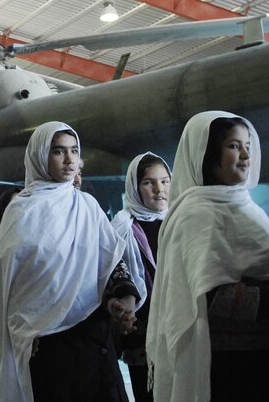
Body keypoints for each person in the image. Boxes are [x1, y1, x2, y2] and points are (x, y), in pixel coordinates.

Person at [145, 112, 269, 402]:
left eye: (248, 146)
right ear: (207, 153)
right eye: (233, 146)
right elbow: (211, 297)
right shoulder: (195, 213)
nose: (246, 155)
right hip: (228, 367)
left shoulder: (249, 207)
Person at [0, 121, 138, 402]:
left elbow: (109, 261)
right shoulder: (22, 211)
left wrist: (123, 297)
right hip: (48, 343)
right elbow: (9, 284)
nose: (70, 160)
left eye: (74, 151)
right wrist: (22, 334)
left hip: (93, 338)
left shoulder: (87, 206)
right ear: (40, 156)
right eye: (58, 151)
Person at [111, 152, 171, 401]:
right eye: (149, 182)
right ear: (135, 188)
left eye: (165, 181)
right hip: (141, 337)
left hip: (177, 330)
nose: (159, 189)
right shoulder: (121, 228)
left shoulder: (179, 220)